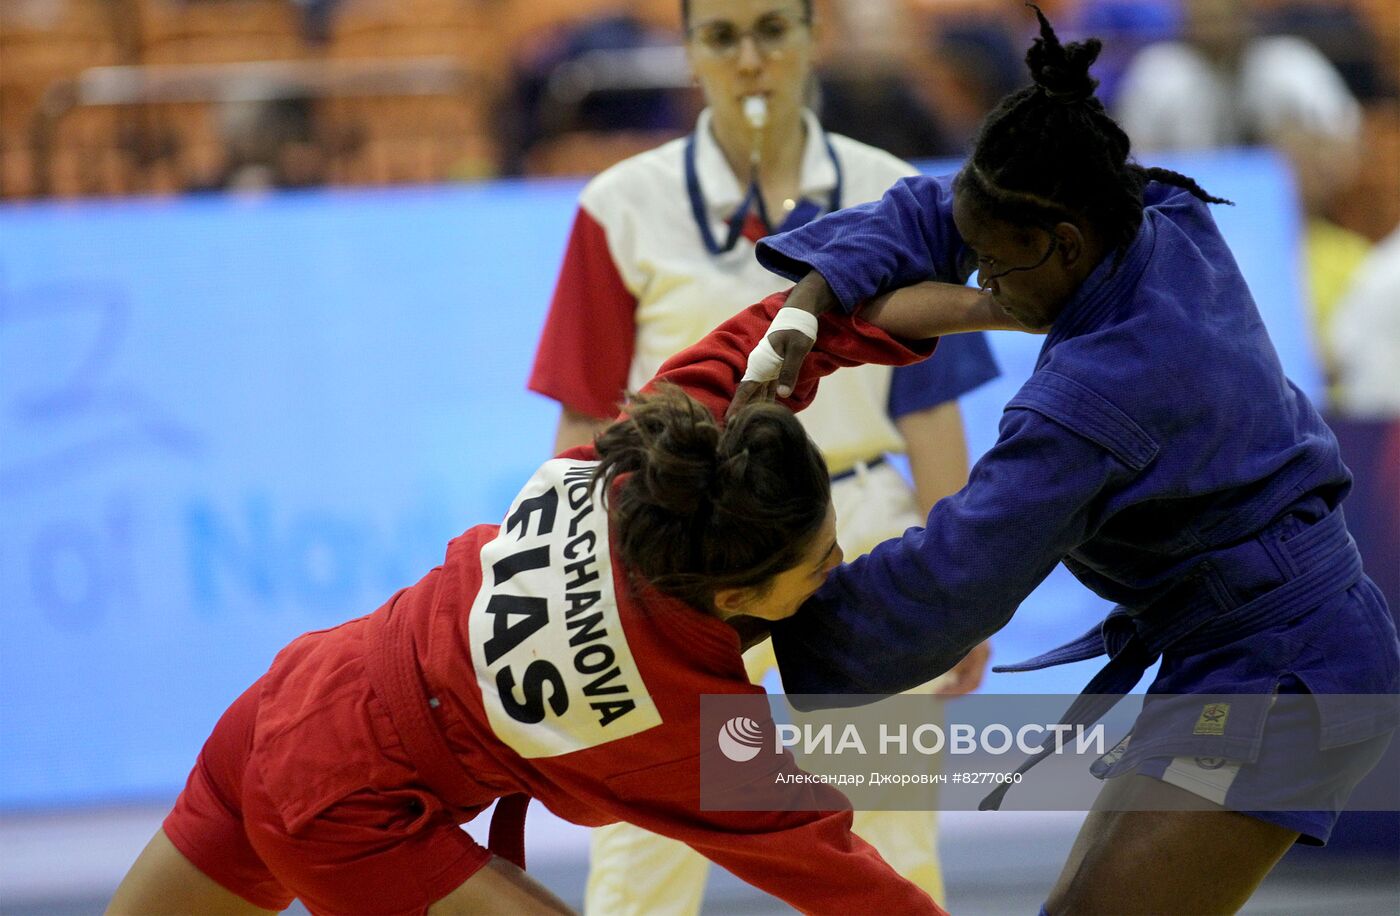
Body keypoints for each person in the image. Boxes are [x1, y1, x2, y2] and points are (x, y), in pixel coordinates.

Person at [733, 7, 1400, 914]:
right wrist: (811, 301)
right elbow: (944, 205)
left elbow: (953, 578)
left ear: (1065, 243)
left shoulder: (1099, 395)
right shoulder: (1152, 210)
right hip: (1232, 643)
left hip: (1291, 666)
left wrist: (750, 632)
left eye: (999, 270)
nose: (986, 291)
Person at [106, 288, 1022, 916]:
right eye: (821, 565)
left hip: (292, 694)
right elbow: (843, 881)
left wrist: (977, 289)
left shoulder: (650, 462)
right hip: (355, 811)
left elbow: (790, 326)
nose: (838, 569)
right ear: (737, 593)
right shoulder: (681, 723)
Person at [527, 1, 999, 908]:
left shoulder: (891, 187)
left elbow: (930, 412)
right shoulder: (615, 207)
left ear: (813, 38)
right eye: (723, 36)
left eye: (772, 31)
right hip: (679, 548)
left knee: (888, 832)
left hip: (857, 530)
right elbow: (586, 427)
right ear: (690, 51)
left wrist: (963, 585)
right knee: (647, 837)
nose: (750, 59)